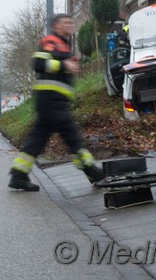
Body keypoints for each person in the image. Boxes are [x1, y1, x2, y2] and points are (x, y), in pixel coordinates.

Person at [9, 14, 105, 191]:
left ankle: (18, 175)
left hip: (52, 100)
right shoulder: (50, 41)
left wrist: (67, 67)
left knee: (38, 139)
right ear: (55, 25)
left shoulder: (62, 44)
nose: (70, 25)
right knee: (72, 136)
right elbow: (37, 63)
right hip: (51, 100)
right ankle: (92, 171)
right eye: (66, 22)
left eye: (71, 22)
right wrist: (64, 66)